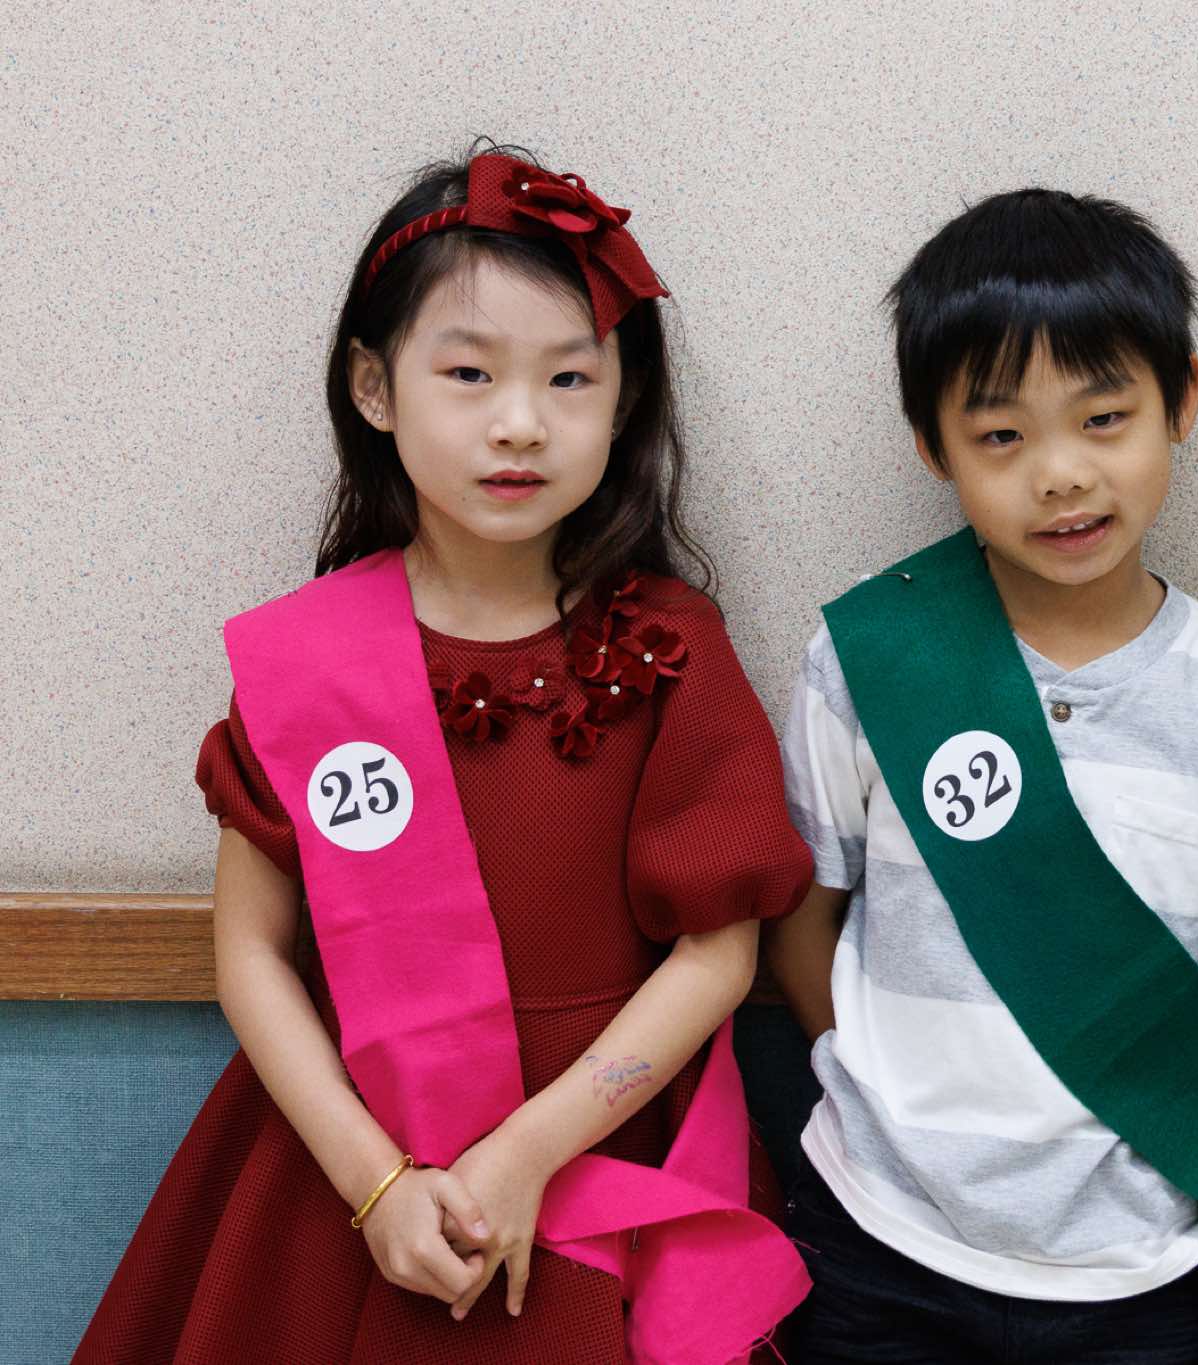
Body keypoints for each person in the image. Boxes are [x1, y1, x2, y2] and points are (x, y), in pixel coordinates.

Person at [75, 143, 811, 1364]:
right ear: (374, 387)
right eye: (467, 373)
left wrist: (520, 1156)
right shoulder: (308, 661)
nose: (519, 423)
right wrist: (374, 1184)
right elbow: (250, 951)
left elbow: (717, 952)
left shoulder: (670, 646)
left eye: (568, 378)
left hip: (598, 1152)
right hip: (341, 1173)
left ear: (622, 398)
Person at [764, 188, 1198, 1365]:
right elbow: (803, 922)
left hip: (1141, 1265)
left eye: (1103, 419)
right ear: (932, 446)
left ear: (1181, 402)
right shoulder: (867, 659)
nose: (1059, 475)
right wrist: (899, 1108)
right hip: (878, 1236)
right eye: (1000, 437)